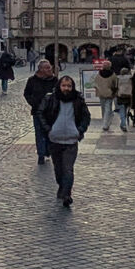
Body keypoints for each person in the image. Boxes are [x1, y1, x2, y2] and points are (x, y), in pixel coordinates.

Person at [38, 75, 91, 208]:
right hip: (54, 139)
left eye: (69, 86)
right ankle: (62, 187)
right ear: (59, 86)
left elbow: (86, 116)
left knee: (68, 169)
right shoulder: (50, 98)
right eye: (64, 85)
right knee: (58, 169)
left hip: (71, 141)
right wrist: (48, 130)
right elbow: (41, 113)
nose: (66, 88)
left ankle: (67, 194)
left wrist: (80, 131)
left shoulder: (78, 100)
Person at [23, 59, 58, 164]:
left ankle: (47, 151)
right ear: (41, 69)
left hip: (50, 111)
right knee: (39, 133)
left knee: (49, 132)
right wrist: (33, 102)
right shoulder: (32, 80)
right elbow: (26, 93)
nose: (49, 69)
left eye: (50, 67)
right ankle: (41, 154)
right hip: (37, 111)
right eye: (47, 68)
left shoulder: (54, 80)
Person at [93, 60, 118, 132]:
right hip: (109, 93)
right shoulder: (113, 74)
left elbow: (95, 83)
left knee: (103, 108)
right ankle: (105, 123)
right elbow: (115, 84)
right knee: (108, 108)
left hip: (101, 93)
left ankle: (105, 121)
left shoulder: (99, 74)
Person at [114, 66, 132, 132]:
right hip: (129, 95)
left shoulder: (118, 78)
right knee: (126, 108)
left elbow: (116, 86)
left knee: (121, 110)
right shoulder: (131, 78)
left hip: (120, 95)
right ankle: (125, 121)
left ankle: (123, 124)